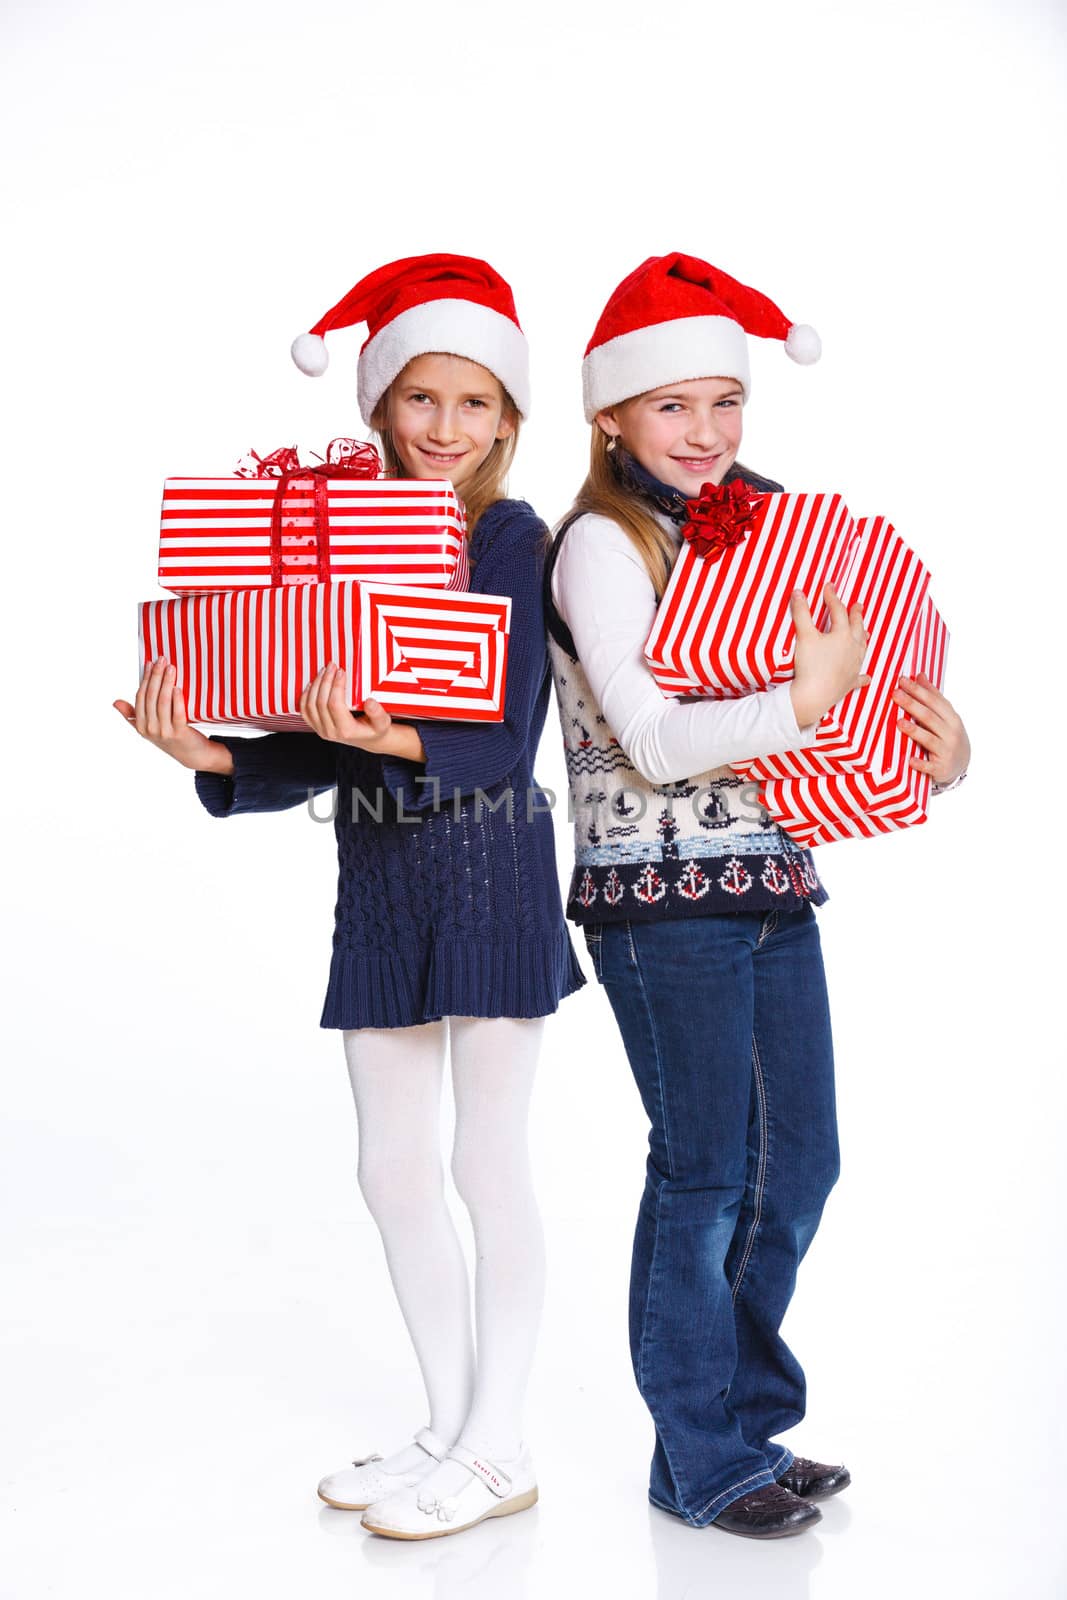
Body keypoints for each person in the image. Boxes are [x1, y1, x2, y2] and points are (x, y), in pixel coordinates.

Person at [114, 255, 584, 1542]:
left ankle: (503, 1443)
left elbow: (497, 738)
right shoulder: (343, 538)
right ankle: (444, 1423)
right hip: (378, 870)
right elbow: (336, 735)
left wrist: (376, 737)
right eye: (420, 398)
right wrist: (217, 756)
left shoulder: (506, 535)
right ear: (380, 405)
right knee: (389, 1170)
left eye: (473, 402)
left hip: (489, 867)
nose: (443, 426)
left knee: (486, 1162)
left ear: (507, 418)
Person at [543, 253, 970, 1539]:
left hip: (776, 876)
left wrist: (932, 760)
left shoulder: (776, 527)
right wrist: (805, 695)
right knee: (704, 1172)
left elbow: (836, 715)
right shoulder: (598, 548)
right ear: (609, 413)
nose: (707, 432)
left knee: (801, 1165)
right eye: (673, 406)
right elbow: (660, 738)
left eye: (725, 402)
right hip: (655, 892)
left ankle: (735, 1427)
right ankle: (700, 1451)